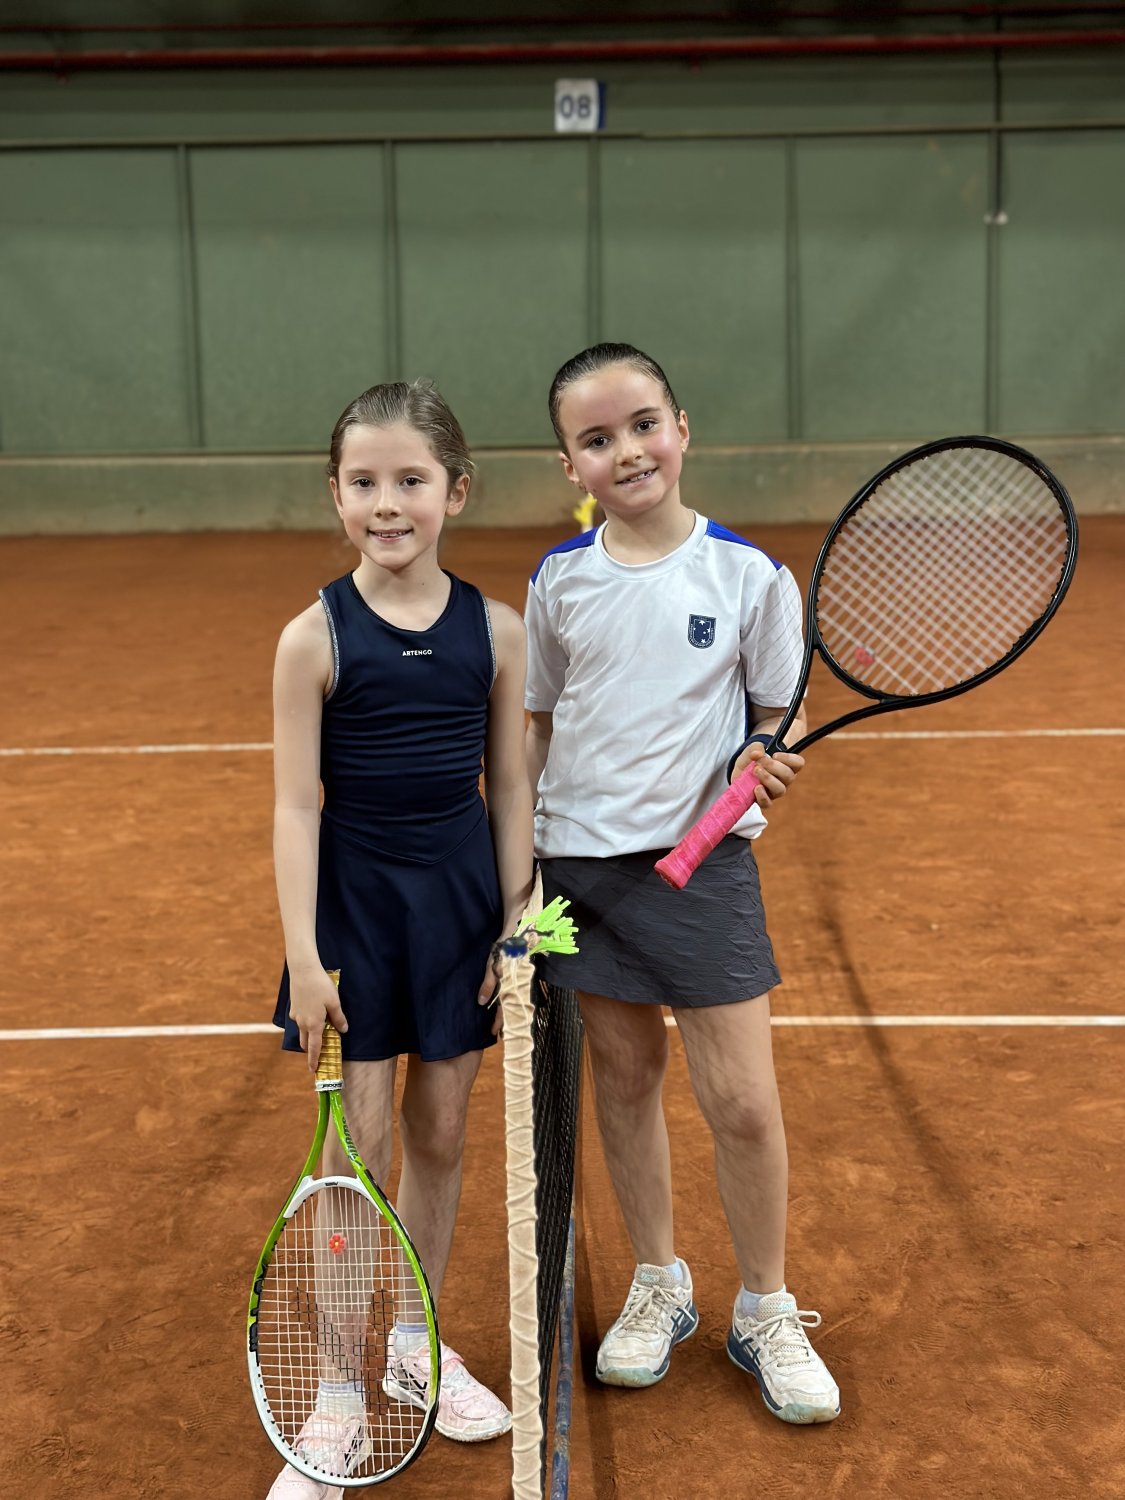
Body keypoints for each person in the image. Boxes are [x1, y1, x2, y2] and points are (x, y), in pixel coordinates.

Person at [524, 344, 840, 1426]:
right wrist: (526, 864)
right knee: (623, 1079)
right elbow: (540, 721)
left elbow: (779, 710)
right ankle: (659, 1282)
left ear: (682, 428)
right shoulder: (559, 581)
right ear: (569, 463)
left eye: (643, 425)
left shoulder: (748, 575)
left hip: (703, 871)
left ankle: (764, 1307)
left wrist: (768, 749)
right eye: (596, 439)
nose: (626, 451)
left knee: (741, 1100)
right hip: (583, 868)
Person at [268, 380, 533, 1498]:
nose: (387, 503)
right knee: (357, 1155)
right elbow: (296, 807)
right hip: (356, 919)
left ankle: (414, 1346)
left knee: (441, 1134)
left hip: (460, 911)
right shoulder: (311, 639)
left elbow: (511, 784)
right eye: (364, 482)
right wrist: (302, 954)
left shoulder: (499, 632)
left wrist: (516, 919)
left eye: (410, 481)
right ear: (335, 496)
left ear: (454, 492)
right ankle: (337, 1388)